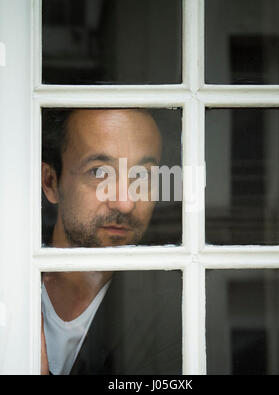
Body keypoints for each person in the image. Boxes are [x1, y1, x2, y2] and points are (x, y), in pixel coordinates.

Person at [41, 108, 182, 375]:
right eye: (99, 173)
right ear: (50, 182)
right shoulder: (11, 286)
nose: (125, 203)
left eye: (143, 177)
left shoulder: (173, 307)